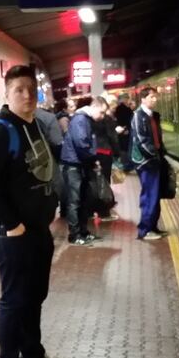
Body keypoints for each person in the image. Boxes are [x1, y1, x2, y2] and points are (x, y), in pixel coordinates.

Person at [0, 65, 72, 358]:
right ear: (7, 94)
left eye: (32, 89)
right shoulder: (1, 130)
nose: (27, 95)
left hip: (37, 229)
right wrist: (11, 223)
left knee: (34, 296)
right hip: (12, 231)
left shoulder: (34, 124)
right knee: (15, 299)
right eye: (19, 90)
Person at [61, 95, 108, 245]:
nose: (102, 116)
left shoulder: (84, 119)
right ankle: (75, 235)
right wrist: (93, 159)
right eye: (101, 112)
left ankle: (83, 232)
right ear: (94, 107)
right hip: (74, 165)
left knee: (82, 201)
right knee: (75, 202)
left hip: (79, 165)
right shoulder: (81, 120)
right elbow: (82, 145)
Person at [132, 87, 167, 241]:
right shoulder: (138, 116)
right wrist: (154, 154)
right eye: (151, 97)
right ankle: (144, 230)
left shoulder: (153, 116)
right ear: (143, 99)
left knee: (155, 195)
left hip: (155, 160)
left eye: (155, 97)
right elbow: (141, 140)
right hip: (146, 162)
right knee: (149, 195)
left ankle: (153, 226)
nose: (155, 99)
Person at [93, 97, 121, 222]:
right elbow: (112, 137)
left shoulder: (90, 119)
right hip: (105, 152)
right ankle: (104, 212)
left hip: (94, 153)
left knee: (96, 182)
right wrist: (117, 153)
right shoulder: (107, 119)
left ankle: (93, 209)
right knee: (105, 182)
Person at [114, 94, 135, 172]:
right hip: (124, 131)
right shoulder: (122, 108)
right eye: (127, 98)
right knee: (125, 148)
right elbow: (124, 120)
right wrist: (125, 129)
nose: (128, 99)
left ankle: (127, 164)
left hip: (124, 130)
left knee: (125, 148)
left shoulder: (122, 108)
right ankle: (126, 165)